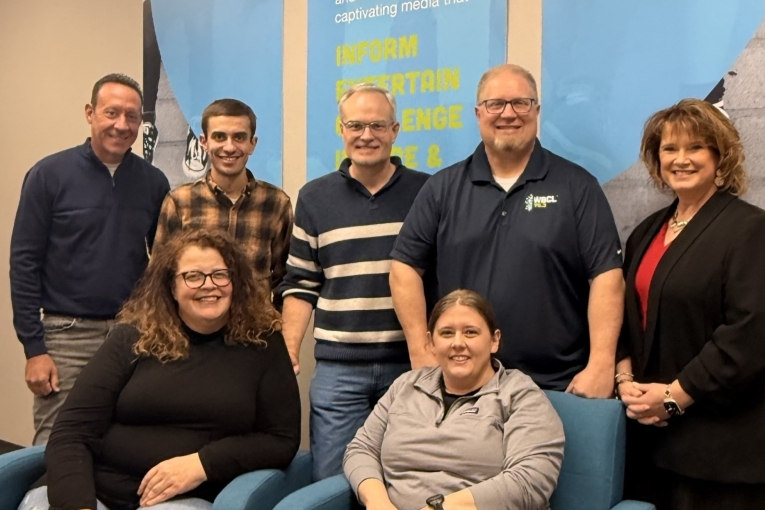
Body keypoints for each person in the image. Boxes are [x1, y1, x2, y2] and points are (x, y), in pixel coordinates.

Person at [18, 230, 301, 510]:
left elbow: (281, 440)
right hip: (94, 488)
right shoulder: (132, 336)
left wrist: (202, 464)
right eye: (193, 276)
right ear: (172, 287)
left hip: (181, 498)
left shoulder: (263, 343)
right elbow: (72, 431)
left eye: (220, 274)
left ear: (235, 281)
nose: (209, 285)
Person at [390, 63, 625, 396]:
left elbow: (607, 277)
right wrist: (420, 349)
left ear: (537, 110)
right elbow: (404, 268)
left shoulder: (578, 186)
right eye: (495, 104)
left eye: (520, 103)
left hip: (556, 385)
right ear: (478, 113)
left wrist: (601, 363)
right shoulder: (442, 188)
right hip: (461, 384)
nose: (508, 113)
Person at [616, 99, 765, 509]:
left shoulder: (750, 229)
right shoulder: (646, 232)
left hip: (721, 454)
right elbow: (627, 318)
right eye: (670, 148)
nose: (680, 159)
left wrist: (675, 396)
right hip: (651, 442)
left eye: (695, 147)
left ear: (721, 156)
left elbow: (750, 332)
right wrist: (624, 381)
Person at [277, 83, 430, 481]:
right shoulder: (314, 197)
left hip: (409, 365)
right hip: (338, 371)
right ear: (341, 129)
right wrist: (289, 348)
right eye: (356, 125)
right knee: (331, 482)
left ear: (395, 130)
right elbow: (301, 282)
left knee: (406, 479)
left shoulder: (427, 192)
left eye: (377, 125)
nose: (366, 135)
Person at [9, 73, 171, 445]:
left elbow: (163, 264)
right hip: (66, 337)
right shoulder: (48, 176)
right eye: (112, 112)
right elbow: (24, 264)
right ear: (90, 113)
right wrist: (34, 349)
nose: (122, 125)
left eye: (132, 116)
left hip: (132, 334)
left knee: (124, 440)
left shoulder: (154, 182)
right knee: (56, 442)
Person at [344, 289, 564, 510]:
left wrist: (439, 508)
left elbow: (530, 481)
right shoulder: (405, 386)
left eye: (470, 332)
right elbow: (362, 448)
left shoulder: (520, 394)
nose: (458, 343)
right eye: (447, 333)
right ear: (431, 342)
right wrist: (379, 503)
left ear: (494, 340)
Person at [154, 98, 292, 308]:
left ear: (252, 144)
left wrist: (278, 325)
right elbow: (160, 277)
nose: (229, 147)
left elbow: (285, 281)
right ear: (204, 142)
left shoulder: (276, 204)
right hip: (194, 325)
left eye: (239, 137)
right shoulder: (180, 203)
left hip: (256, 325)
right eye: (219, 137)